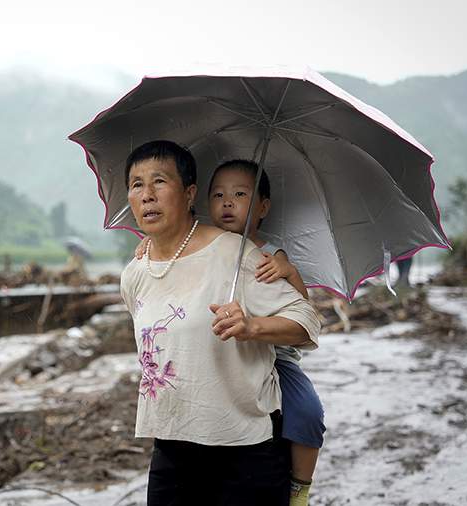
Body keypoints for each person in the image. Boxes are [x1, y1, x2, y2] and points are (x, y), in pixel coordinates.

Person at [119, 140, 321, 505]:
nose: (147, 195)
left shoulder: (234, 252)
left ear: (190, 193)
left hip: (243, 450)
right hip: (171, 448)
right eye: (136, 185)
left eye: (159, 182)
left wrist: (252, 326)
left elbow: (307, 321)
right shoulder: (134, 274)